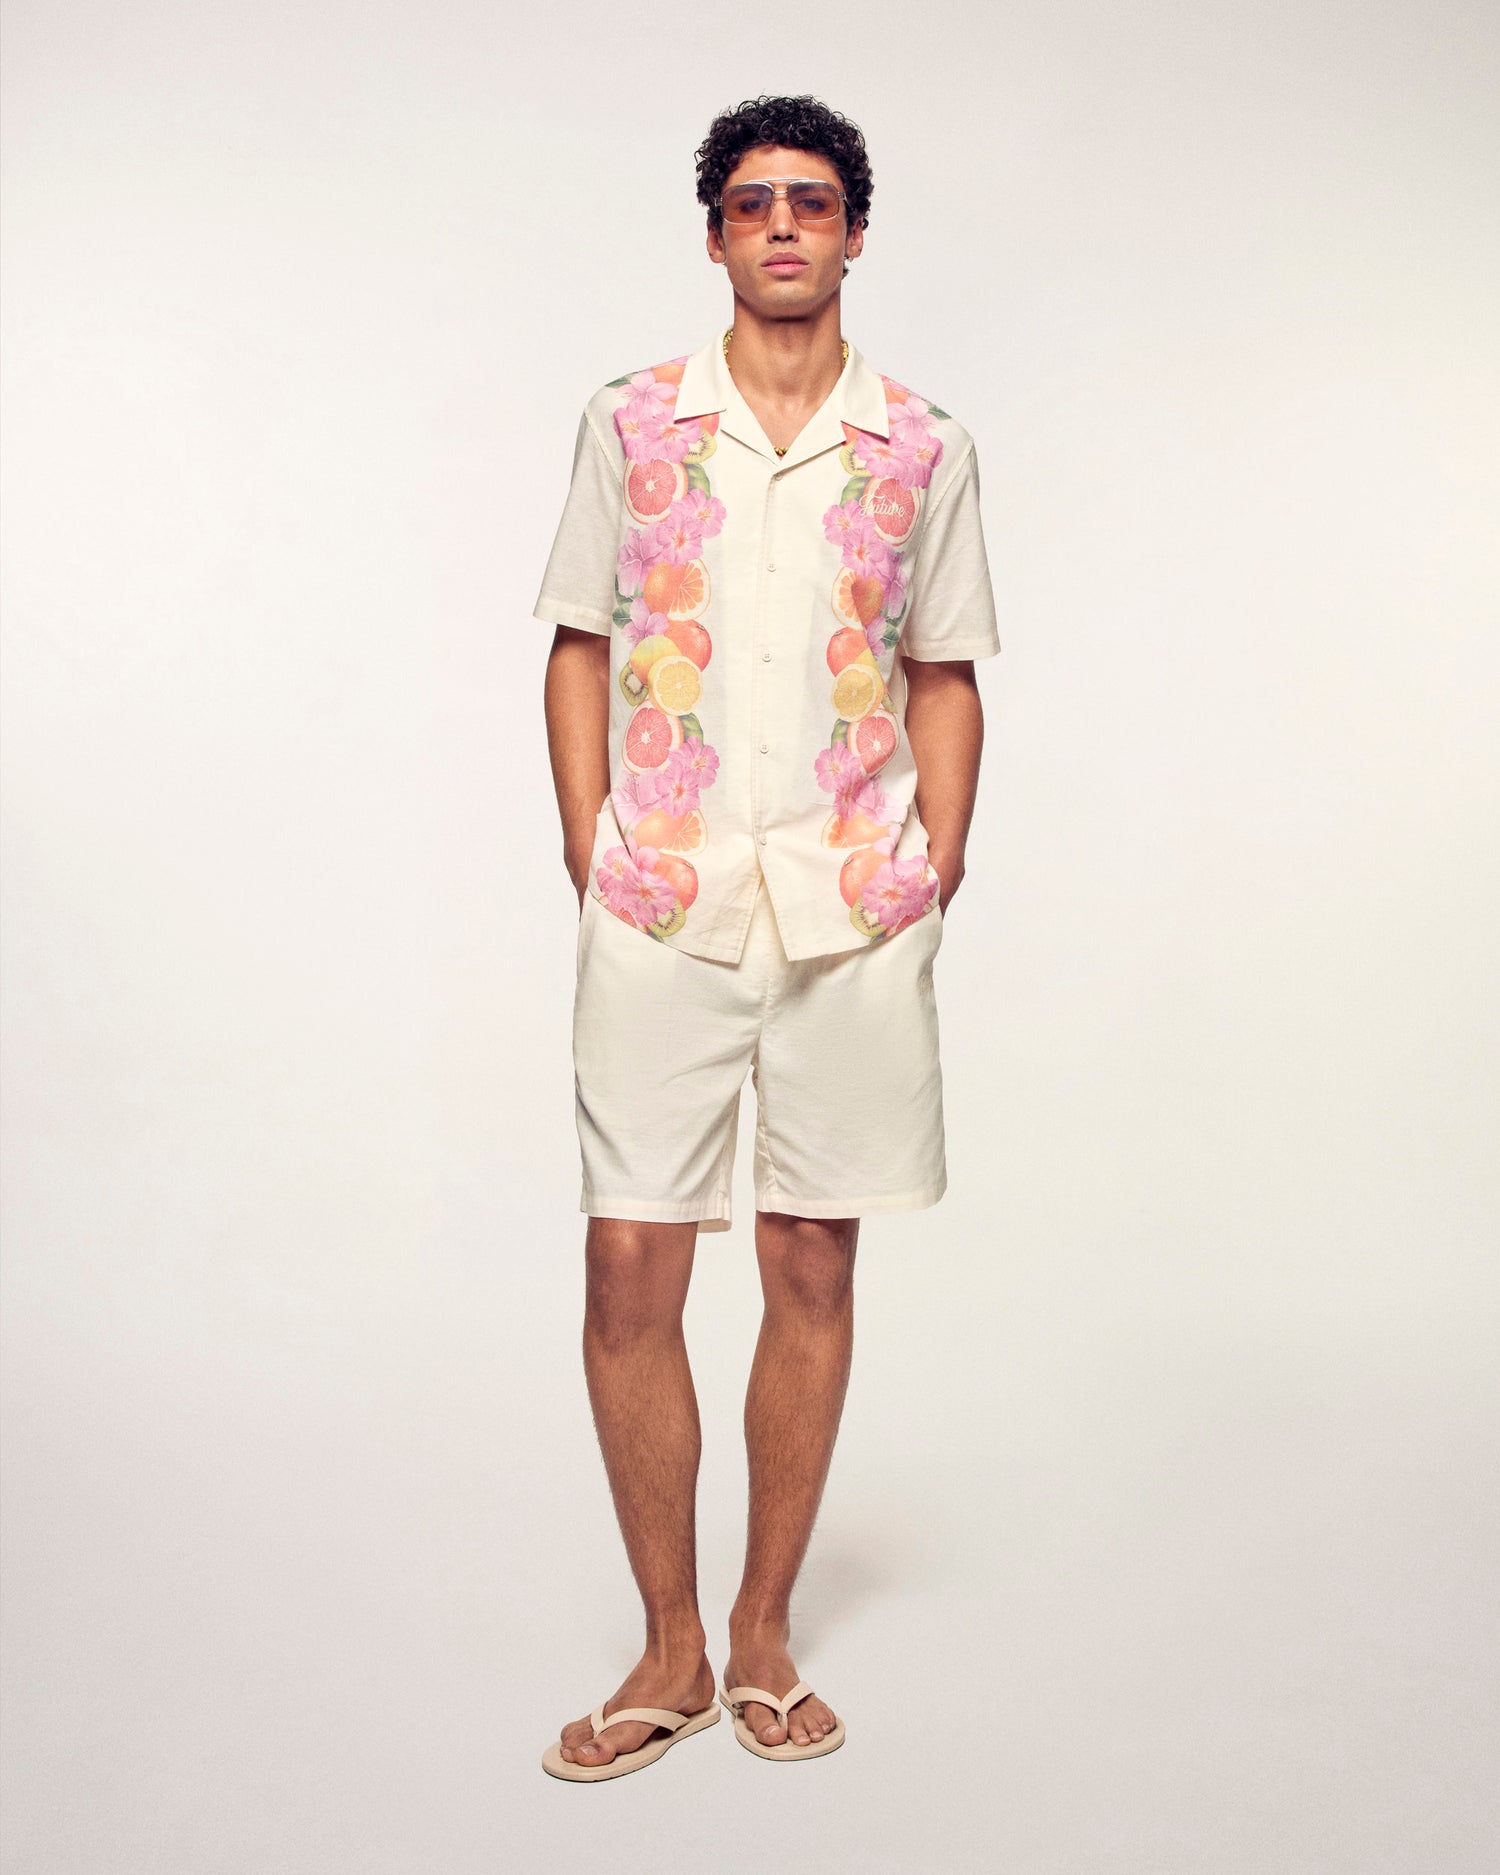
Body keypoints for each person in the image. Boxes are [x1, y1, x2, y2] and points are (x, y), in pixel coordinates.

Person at [532, 94, 999, 1782]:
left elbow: (946, 666)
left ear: (855, 232)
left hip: (851, 907)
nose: (784, 223)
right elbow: (578, 638)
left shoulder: (923, 444)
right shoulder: (632, 422)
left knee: (812, 1262)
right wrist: (590, 837)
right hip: (663, 898)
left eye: (813, 200)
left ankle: (762, 1631)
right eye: (752, 202)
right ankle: (667, 1646)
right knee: (629, 1262)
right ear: (716, 235)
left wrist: (937, 859)